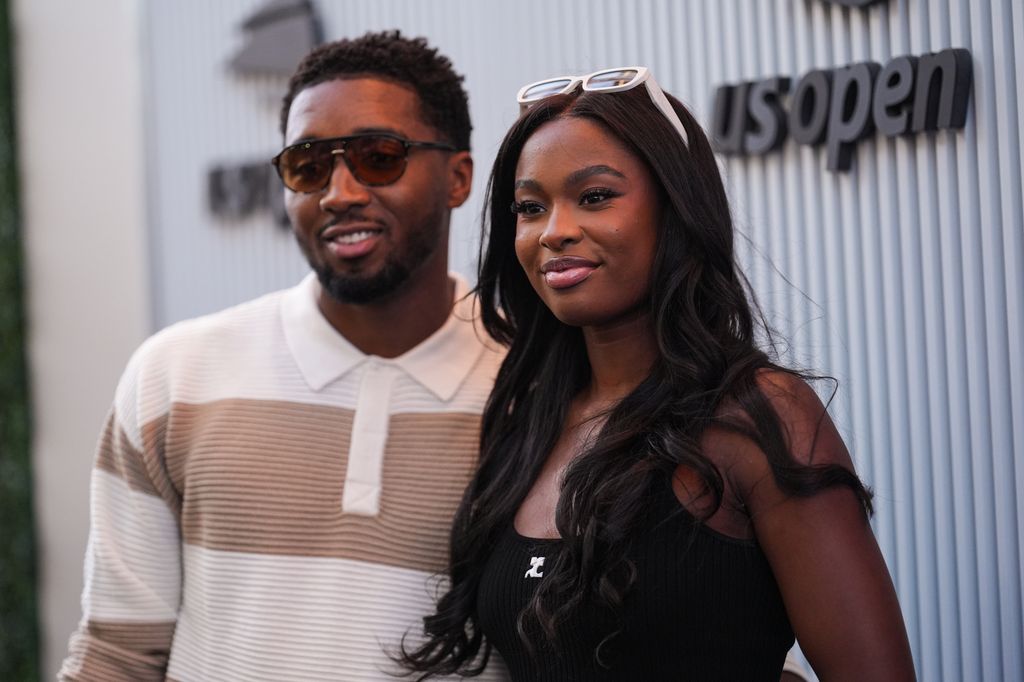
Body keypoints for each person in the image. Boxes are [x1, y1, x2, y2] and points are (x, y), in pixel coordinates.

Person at [402, 67, 916, 680]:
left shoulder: (757, 415)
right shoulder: (527, 423)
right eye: (531, 207)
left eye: (595, 197)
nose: (555, 231)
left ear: (675, 207)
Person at [59, 31, 508, 681]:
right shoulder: (175, 379)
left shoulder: (541, 387)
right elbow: (119, 653)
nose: (340, 192)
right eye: (308, 165)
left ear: (459, 178)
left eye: (379, 157)